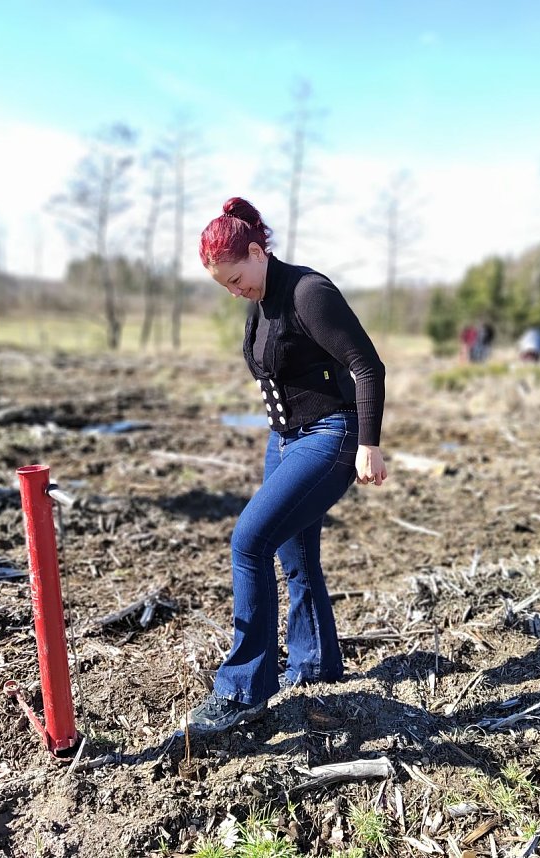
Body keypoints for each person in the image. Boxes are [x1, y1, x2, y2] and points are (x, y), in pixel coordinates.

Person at [185, 198, 386, 735]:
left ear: (257, 252)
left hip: (331, 436)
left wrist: (369, 444)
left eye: (236, 279)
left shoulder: (307, 292)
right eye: (224, 286)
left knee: (248, 542)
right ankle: (315, 663)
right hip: (285, 439)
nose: (234, 291)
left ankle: (242, 691)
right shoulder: (262, 300)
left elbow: (367, 366)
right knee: (294, 555)